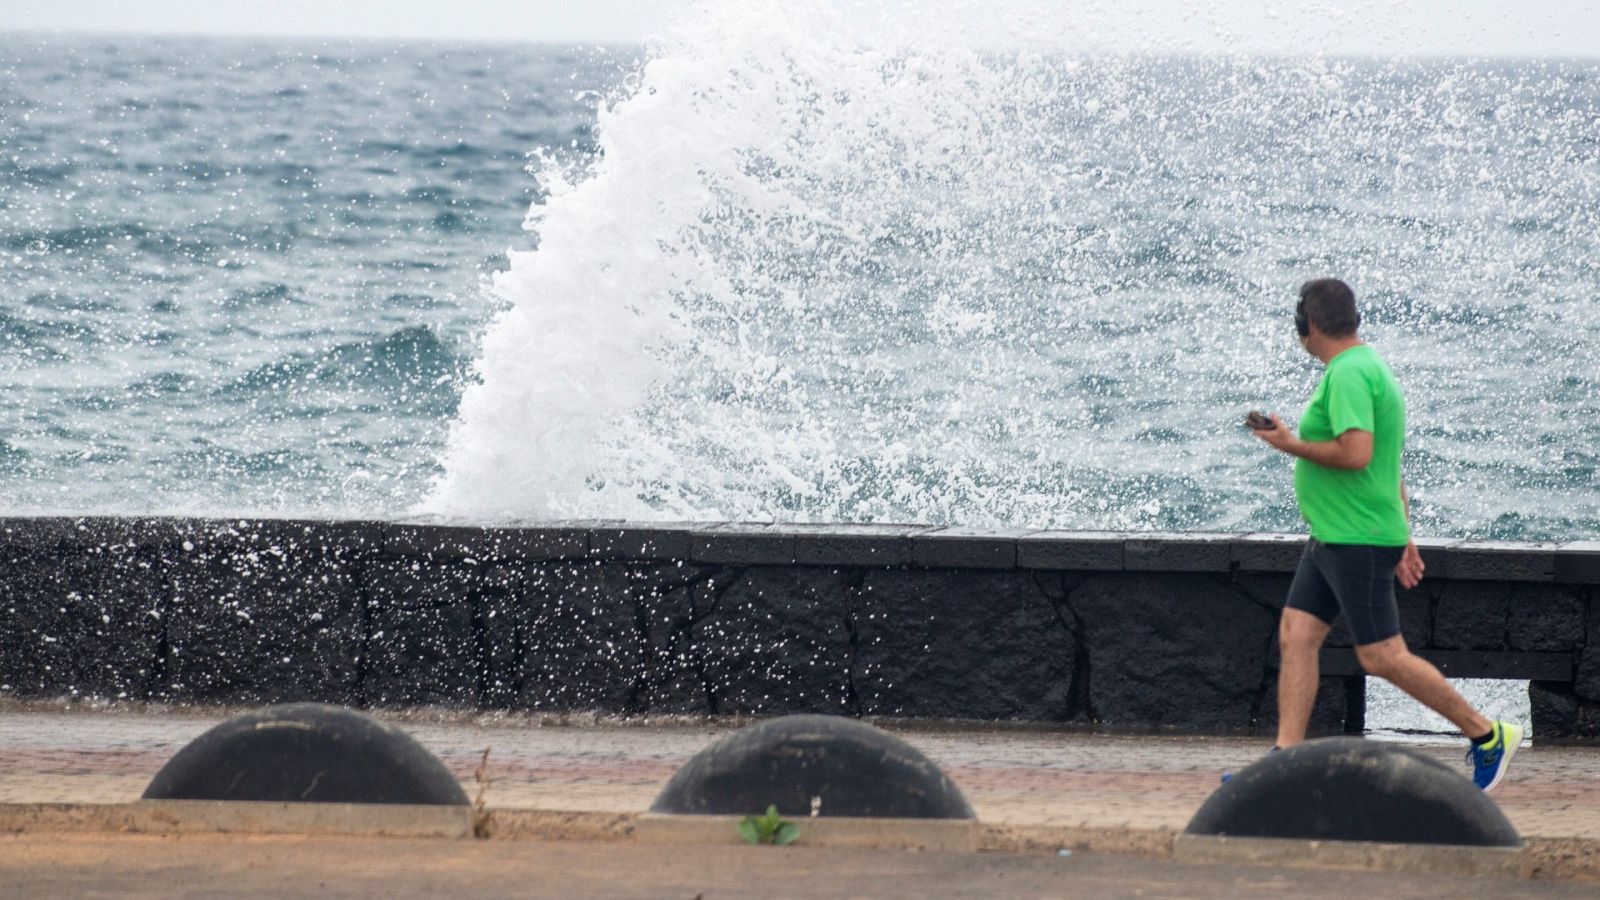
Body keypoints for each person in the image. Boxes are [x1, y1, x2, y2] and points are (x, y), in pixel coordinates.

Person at [1249, 278, 1520, 792]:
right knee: (1298, 634)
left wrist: (1287, 444)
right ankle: (1283, 765)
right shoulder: (1362, 367)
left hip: (1358, 538)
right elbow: (1387, 465)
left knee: (1380, 656)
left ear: (1308, 326)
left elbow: (1358, 454)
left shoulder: (1350, 373)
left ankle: (1487, 734)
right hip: (1338, 534)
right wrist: (1404, 530)